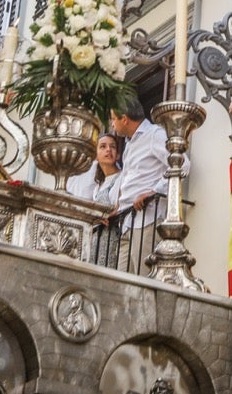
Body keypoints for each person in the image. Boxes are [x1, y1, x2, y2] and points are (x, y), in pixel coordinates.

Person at [113, 100, 188, 273]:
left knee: (144, 282)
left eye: (113, 119)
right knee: (120, 286)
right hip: (126, 223)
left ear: (124, 119)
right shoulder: (129, 144)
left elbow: (182, 165)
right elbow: (130, 181)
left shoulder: (155, 134)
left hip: (146, 221)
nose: (112, 124)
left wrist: (154, 192)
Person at [67, 133, 123, 266]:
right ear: (96, 156)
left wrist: (106, 216)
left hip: (113, 237)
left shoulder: (122, 177)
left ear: (118, 154)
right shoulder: (98, 186)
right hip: (96, 240)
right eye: (103, 147)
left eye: (112, 147)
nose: (108, 150)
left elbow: (122, 205)